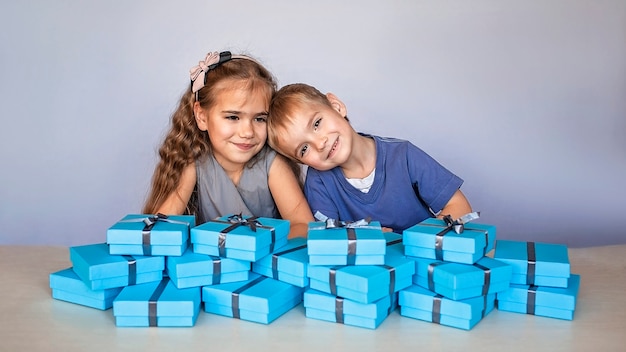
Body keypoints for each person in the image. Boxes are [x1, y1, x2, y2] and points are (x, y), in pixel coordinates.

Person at [143, 51, 313, 237]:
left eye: (259, 119)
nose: (247, 132)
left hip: (262, 262)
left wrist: (258, 249)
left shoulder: (272, 165)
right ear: (202, 116)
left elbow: (303, 224)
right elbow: (162, 226)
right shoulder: (194, 164)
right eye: (233, 117)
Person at [267, 83, 472, 233]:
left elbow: (459, 205)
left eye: (317, 123)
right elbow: (326, 239)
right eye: (303, 149)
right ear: (302, 162)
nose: (319, 143)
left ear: (336, 106)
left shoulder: (403, 155)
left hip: (424, 261)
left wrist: (417, 241)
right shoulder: (319, 181)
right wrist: (365, 239)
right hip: (368, 277)